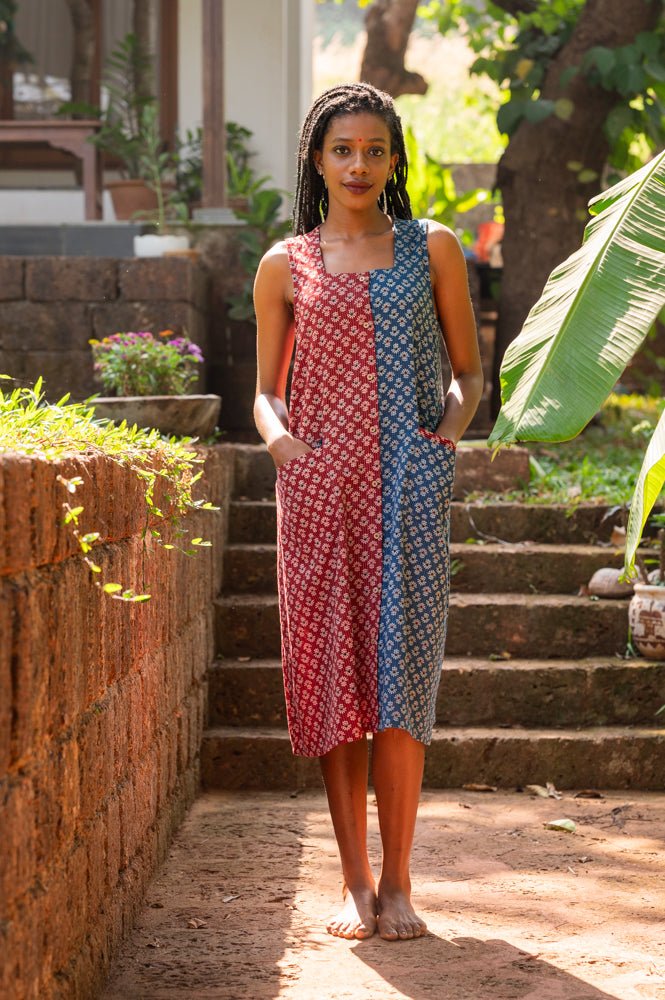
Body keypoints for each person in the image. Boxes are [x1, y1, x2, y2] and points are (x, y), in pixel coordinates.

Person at [253, 82, 483, 942]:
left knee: (400, 686)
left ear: (395, 161)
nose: (359, 165)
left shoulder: (434, 249)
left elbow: (468, 373)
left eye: (375, 151)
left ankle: (400, 883)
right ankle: (351, 882)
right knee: (335, 681)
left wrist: (439, 445)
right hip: (320, 499)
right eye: (342, 150)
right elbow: (263, 394)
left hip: (408, 496)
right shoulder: (286, 264)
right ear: (318, 158)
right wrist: (285, 452)